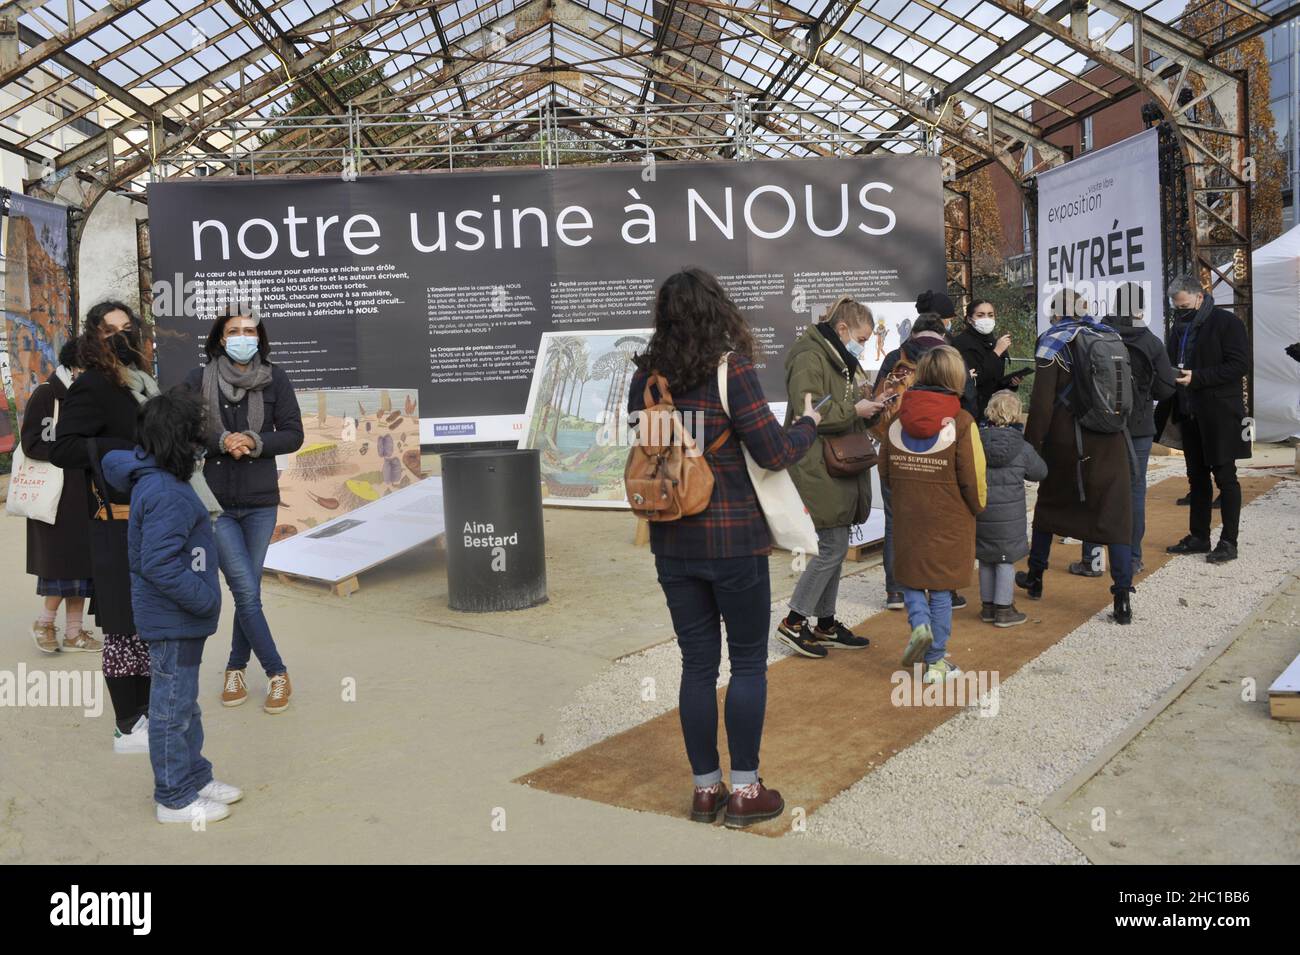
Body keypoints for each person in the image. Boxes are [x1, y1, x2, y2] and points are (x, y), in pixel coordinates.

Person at [627, 268, 819, 828]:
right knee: (750, 663)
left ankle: (704, 790)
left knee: (696, 665)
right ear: (719, 311)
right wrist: (807, 424)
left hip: (672, 539)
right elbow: (774, 451)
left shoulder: (646, 376)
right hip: (733, 539)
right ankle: (745, 791)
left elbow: (644, 449)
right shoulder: (729, 368)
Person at [103, 390, 240, 824]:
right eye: (198, 433)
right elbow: (157, 563)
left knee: (185, 705)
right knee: (170, 710)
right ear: (180, 438)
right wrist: (204, 599)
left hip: (180, 618)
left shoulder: (165, 480)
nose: (205, 440)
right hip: (175, 617)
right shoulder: (164, 490)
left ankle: (195, 776)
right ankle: (174, 797)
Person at [50, 301, 169, 752]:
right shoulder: (94, 384)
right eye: (109, 331)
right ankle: (127, 721)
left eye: (126, 328)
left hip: (154, 517)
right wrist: (121, 450)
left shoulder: (144, 384)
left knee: (153, 622)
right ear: (93, 337)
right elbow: (63, 449)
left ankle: (151, 714)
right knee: (122, 623)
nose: (119, 337)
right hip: (116, 522)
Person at [184, 304, 304, 713]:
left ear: (259, 338)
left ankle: (235, 666)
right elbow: (181, 428)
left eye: (249, 331)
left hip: (259, 503)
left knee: (246, 591)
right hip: (214, 503)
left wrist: (253, 441)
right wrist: (221, 442)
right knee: (246, 592)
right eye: (234, 330)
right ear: (220, 337)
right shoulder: (198, 379)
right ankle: (277, 673)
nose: (242, 337)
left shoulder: (275, 379)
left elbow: (292, 434)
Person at [1016, 290, 1135, 623]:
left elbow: (1041, 406)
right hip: (1111, 441)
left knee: (1049, 507)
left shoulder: (1052, 343)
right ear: (1085, 309)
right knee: (1116, 517)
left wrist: (1031, 447)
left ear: (1056, 313)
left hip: (1069, 443)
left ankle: (1036, 577)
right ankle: (1122, 596)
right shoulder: (1109, 336)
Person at [778, 296, 884, 658]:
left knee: (835, 547)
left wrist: (868, 405)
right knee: (833, 547)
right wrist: (855, 408)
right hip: (816, 462)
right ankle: (794, 621)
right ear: (842, 330)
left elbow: (836, 407)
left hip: (834, 461)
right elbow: (811, 413)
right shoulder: (811, 357)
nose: (864, 345)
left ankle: (824, 623)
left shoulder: (838, 357)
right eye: (862, 338)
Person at [878, 346, 986, 684]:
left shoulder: (897, 418)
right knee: (940, 587)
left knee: (910, 577)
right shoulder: (963, 421)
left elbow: (884, 470)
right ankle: (936, 660)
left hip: (909, 513)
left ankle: (919, 623)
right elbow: (974, 477)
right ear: (956, 377)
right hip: (949, 516)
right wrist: (977, 508)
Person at [1072, 282, 1177, 576]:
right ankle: (1132, 558)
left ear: (1113, 305)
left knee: (1096, 489)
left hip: (1099, 424)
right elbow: (1166, 388)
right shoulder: (1151, 342)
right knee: (1133, 492)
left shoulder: (1093, 335)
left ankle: (1091, 559)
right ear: (1140, 309)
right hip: (1139, 426)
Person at [873, 313, 968, 612]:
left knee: (896, 521)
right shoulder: (950, 357)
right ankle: (945, 590)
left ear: (913, 331)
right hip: (943, 450)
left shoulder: (894, 357)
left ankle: (895, 591)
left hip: (899, 445)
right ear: (943, 330)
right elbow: (969, 403)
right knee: (944, 520)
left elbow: (879, 404)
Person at [1158, 275, 1251, 564]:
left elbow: (1239, 365)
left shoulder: (1227, 323)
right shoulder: (1179, 328)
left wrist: (1198, 378)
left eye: (1184, 306)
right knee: (1196, 478)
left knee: (1225, 477)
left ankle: (1228, 542)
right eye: (1177, 307)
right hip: (1189, 412)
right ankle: (1199, 536)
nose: (1181, 311)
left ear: (1200, 297)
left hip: (1220, 413)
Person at [22, 340, 101, 654]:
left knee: (83, 566)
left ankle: (74, 632)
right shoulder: (48, 395)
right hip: (56, 495)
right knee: (61, 566)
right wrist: (79, 452)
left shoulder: (89, 397)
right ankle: (44, 622)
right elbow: (34, 443)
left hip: (87, 494)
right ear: (75, 365)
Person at [975, 390, 1046, 626]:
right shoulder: (1022, 447)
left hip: (983, 512)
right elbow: (1040, 472)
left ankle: (987, 607)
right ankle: (1004, 609)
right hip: (1009, 517)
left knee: (985, 558)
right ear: (1016, 415)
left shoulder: (977, 442)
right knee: (1005, 559)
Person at [951, 299, 1029, 421]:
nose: (986, 319)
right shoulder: (961, 344)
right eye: (980, 315)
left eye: (990, 315)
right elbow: (974, 379)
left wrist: (1010, 384)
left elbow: (994, 379)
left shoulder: (993, 342)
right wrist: (996, 352)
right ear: (969, 319)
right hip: (972, 412)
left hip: (994, 412)